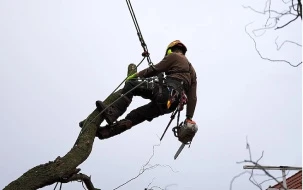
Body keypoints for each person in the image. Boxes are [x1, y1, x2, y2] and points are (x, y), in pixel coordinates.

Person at [95, 40, 197, 140]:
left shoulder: (174, 56)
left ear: (170, 50)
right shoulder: (192, 71)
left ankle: (113, 112)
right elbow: (192, 97)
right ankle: (107, 132)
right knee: (136, 115)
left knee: (131, 84)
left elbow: (155, 69)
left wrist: (136, 76)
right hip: (171, 105)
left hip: (166, 93)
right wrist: (189, 117)